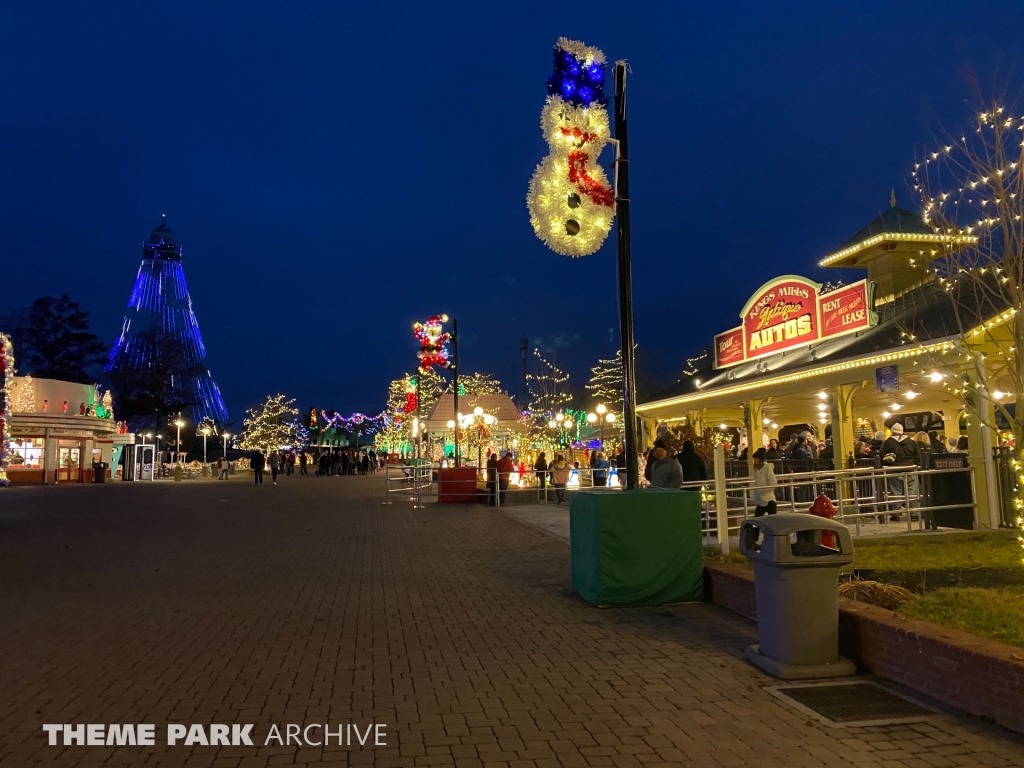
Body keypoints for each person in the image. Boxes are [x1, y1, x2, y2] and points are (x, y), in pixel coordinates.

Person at [881, 423, 921, 513]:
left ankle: (896, 513)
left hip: (894, 469)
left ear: (893, 431)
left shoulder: (888, 442)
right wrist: (917, 465)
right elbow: (918, 456)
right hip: (910, 468)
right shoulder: (911, 442)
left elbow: (881, 455)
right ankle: (914, 512)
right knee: (912, 491)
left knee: (896, 492)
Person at [750, 447, 778, 516]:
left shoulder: (767, 469)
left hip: (768, 499)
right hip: (761, 499)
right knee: (760, 518)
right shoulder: (758, 470)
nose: (754, 461)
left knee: (763, 518)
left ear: (760, 460)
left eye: (756, 459)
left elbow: (773, 483)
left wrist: (762, 490)